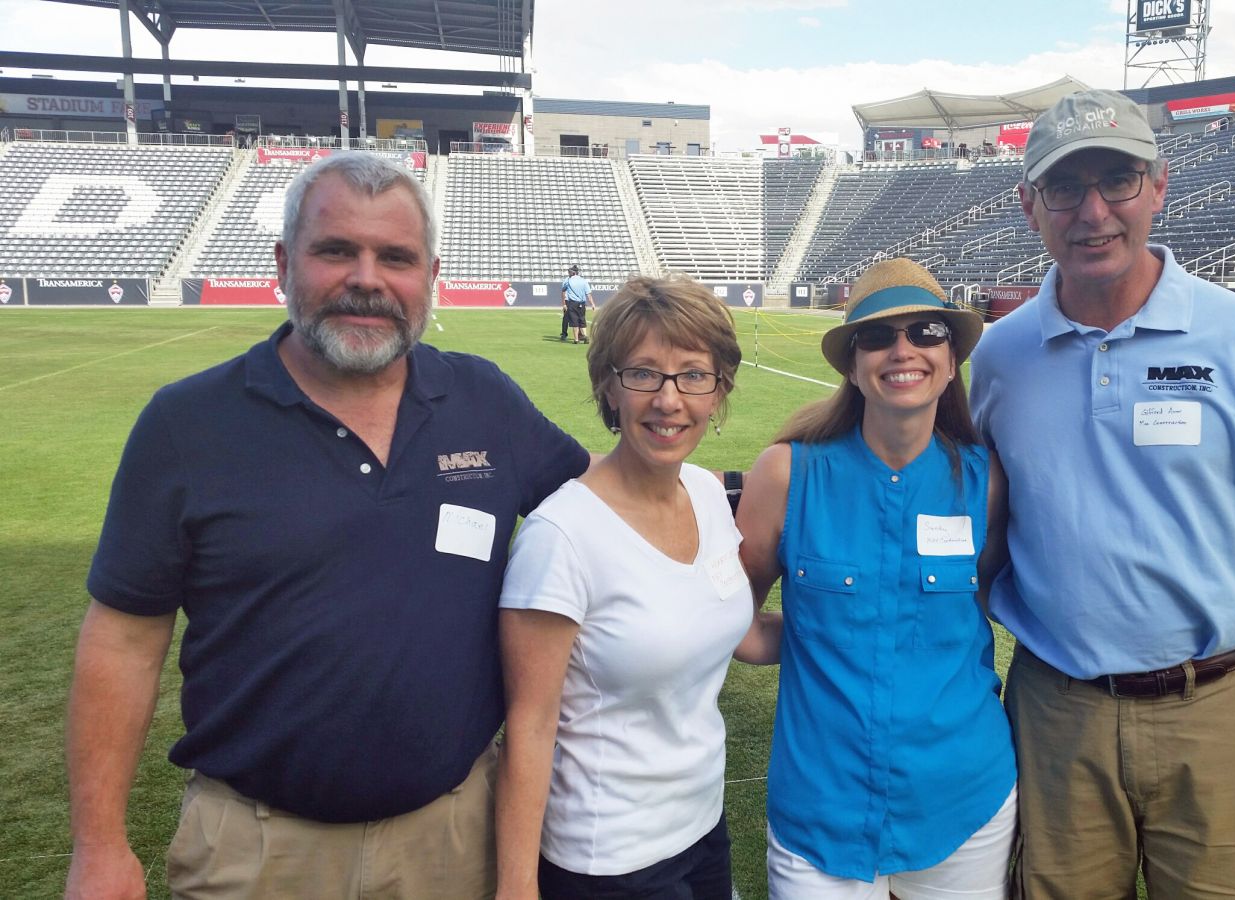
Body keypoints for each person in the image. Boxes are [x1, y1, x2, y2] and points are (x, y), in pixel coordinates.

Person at [65, 151, 590, 900]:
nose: (368, 279)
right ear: (284, 263)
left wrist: (746, 485)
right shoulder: (186, 424)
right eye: (336, 250)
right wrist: (100, 845)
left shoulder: (482, 399)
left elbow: (600, 494)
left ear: (430, 276)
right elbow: (122, 638)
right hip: (257, 853)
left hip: (454, 839)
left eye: (396, 258)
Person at [970, 89, 1235, 898]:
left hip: (1218, 708)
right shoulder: (1000, 358)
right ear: (1028, 205)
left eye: (1117, 179)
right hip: (1058, 714)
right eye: (1063, 188)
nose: (1092, 212)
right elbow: (980, 539)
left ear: (1159, 185)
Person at [738, 258, 1017, 900]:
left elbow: (976, 610)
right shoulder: (785, 475)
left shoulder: (988, 483)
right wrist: (823, 636)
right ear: (852, 363)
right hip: (820, 810)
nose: (903, 350)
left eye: (926, 332)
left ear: (951, 359)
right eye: (877, 336)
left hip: (963, 805)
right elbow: (738, 624)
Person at [496, 275, 753, 900]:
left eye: (694, 374)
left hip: (701, 826)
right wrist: (517, 887)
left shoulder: (708, 497)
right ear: (610, 387)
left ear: (718, 392)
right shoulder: (561, 537)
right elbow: (529, 726)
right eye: (644, 373)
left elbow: (731, 629)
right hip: (607, 856)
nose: (669, 399)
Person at [561, 264, 594, 344]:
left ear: (573, 273)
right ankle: (584, 335)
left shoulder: (568, 280)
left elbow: (563, 291)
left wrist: (564, 303)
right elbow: (588, 294)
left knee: (573, 321)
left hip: (572, 303)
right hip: (582, 303)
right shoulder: (584, 281)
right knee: (582, 320)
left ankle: (576, 339)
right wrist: (592, 303)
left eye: (569, 272)